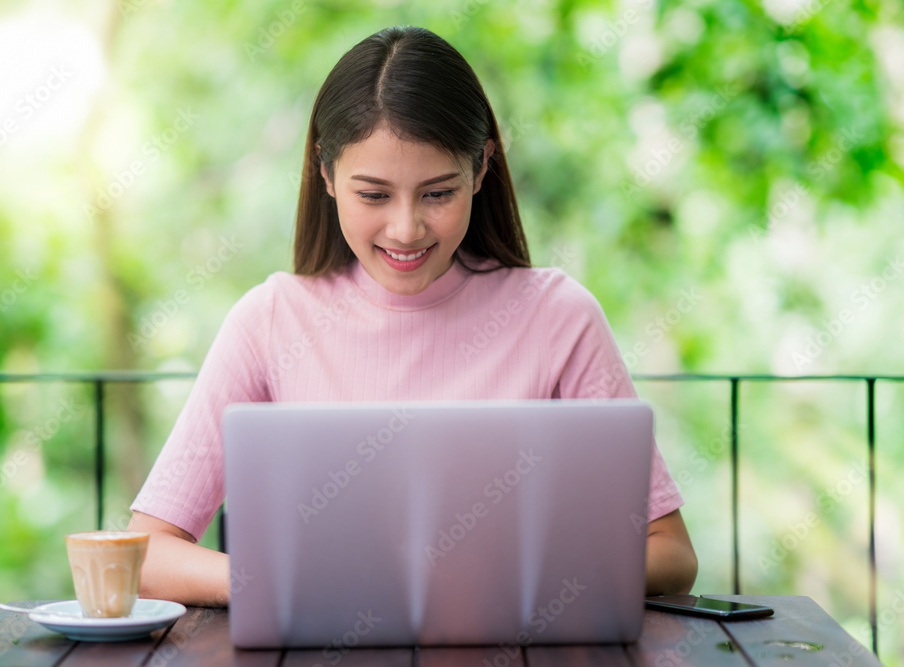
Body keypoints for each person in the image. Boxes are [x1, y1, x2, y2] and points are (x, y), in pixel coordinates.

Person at [128, 25, 698, 607]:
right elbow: (146, 554)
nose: (405, 229)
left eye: (437, 193)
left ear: (481, 169)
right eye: (373, 195)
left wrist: (518, 577)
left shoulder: (559, 318)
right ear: (324, 175)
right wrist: (286, 582)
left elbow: (670, 553)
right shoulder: (271, 321)